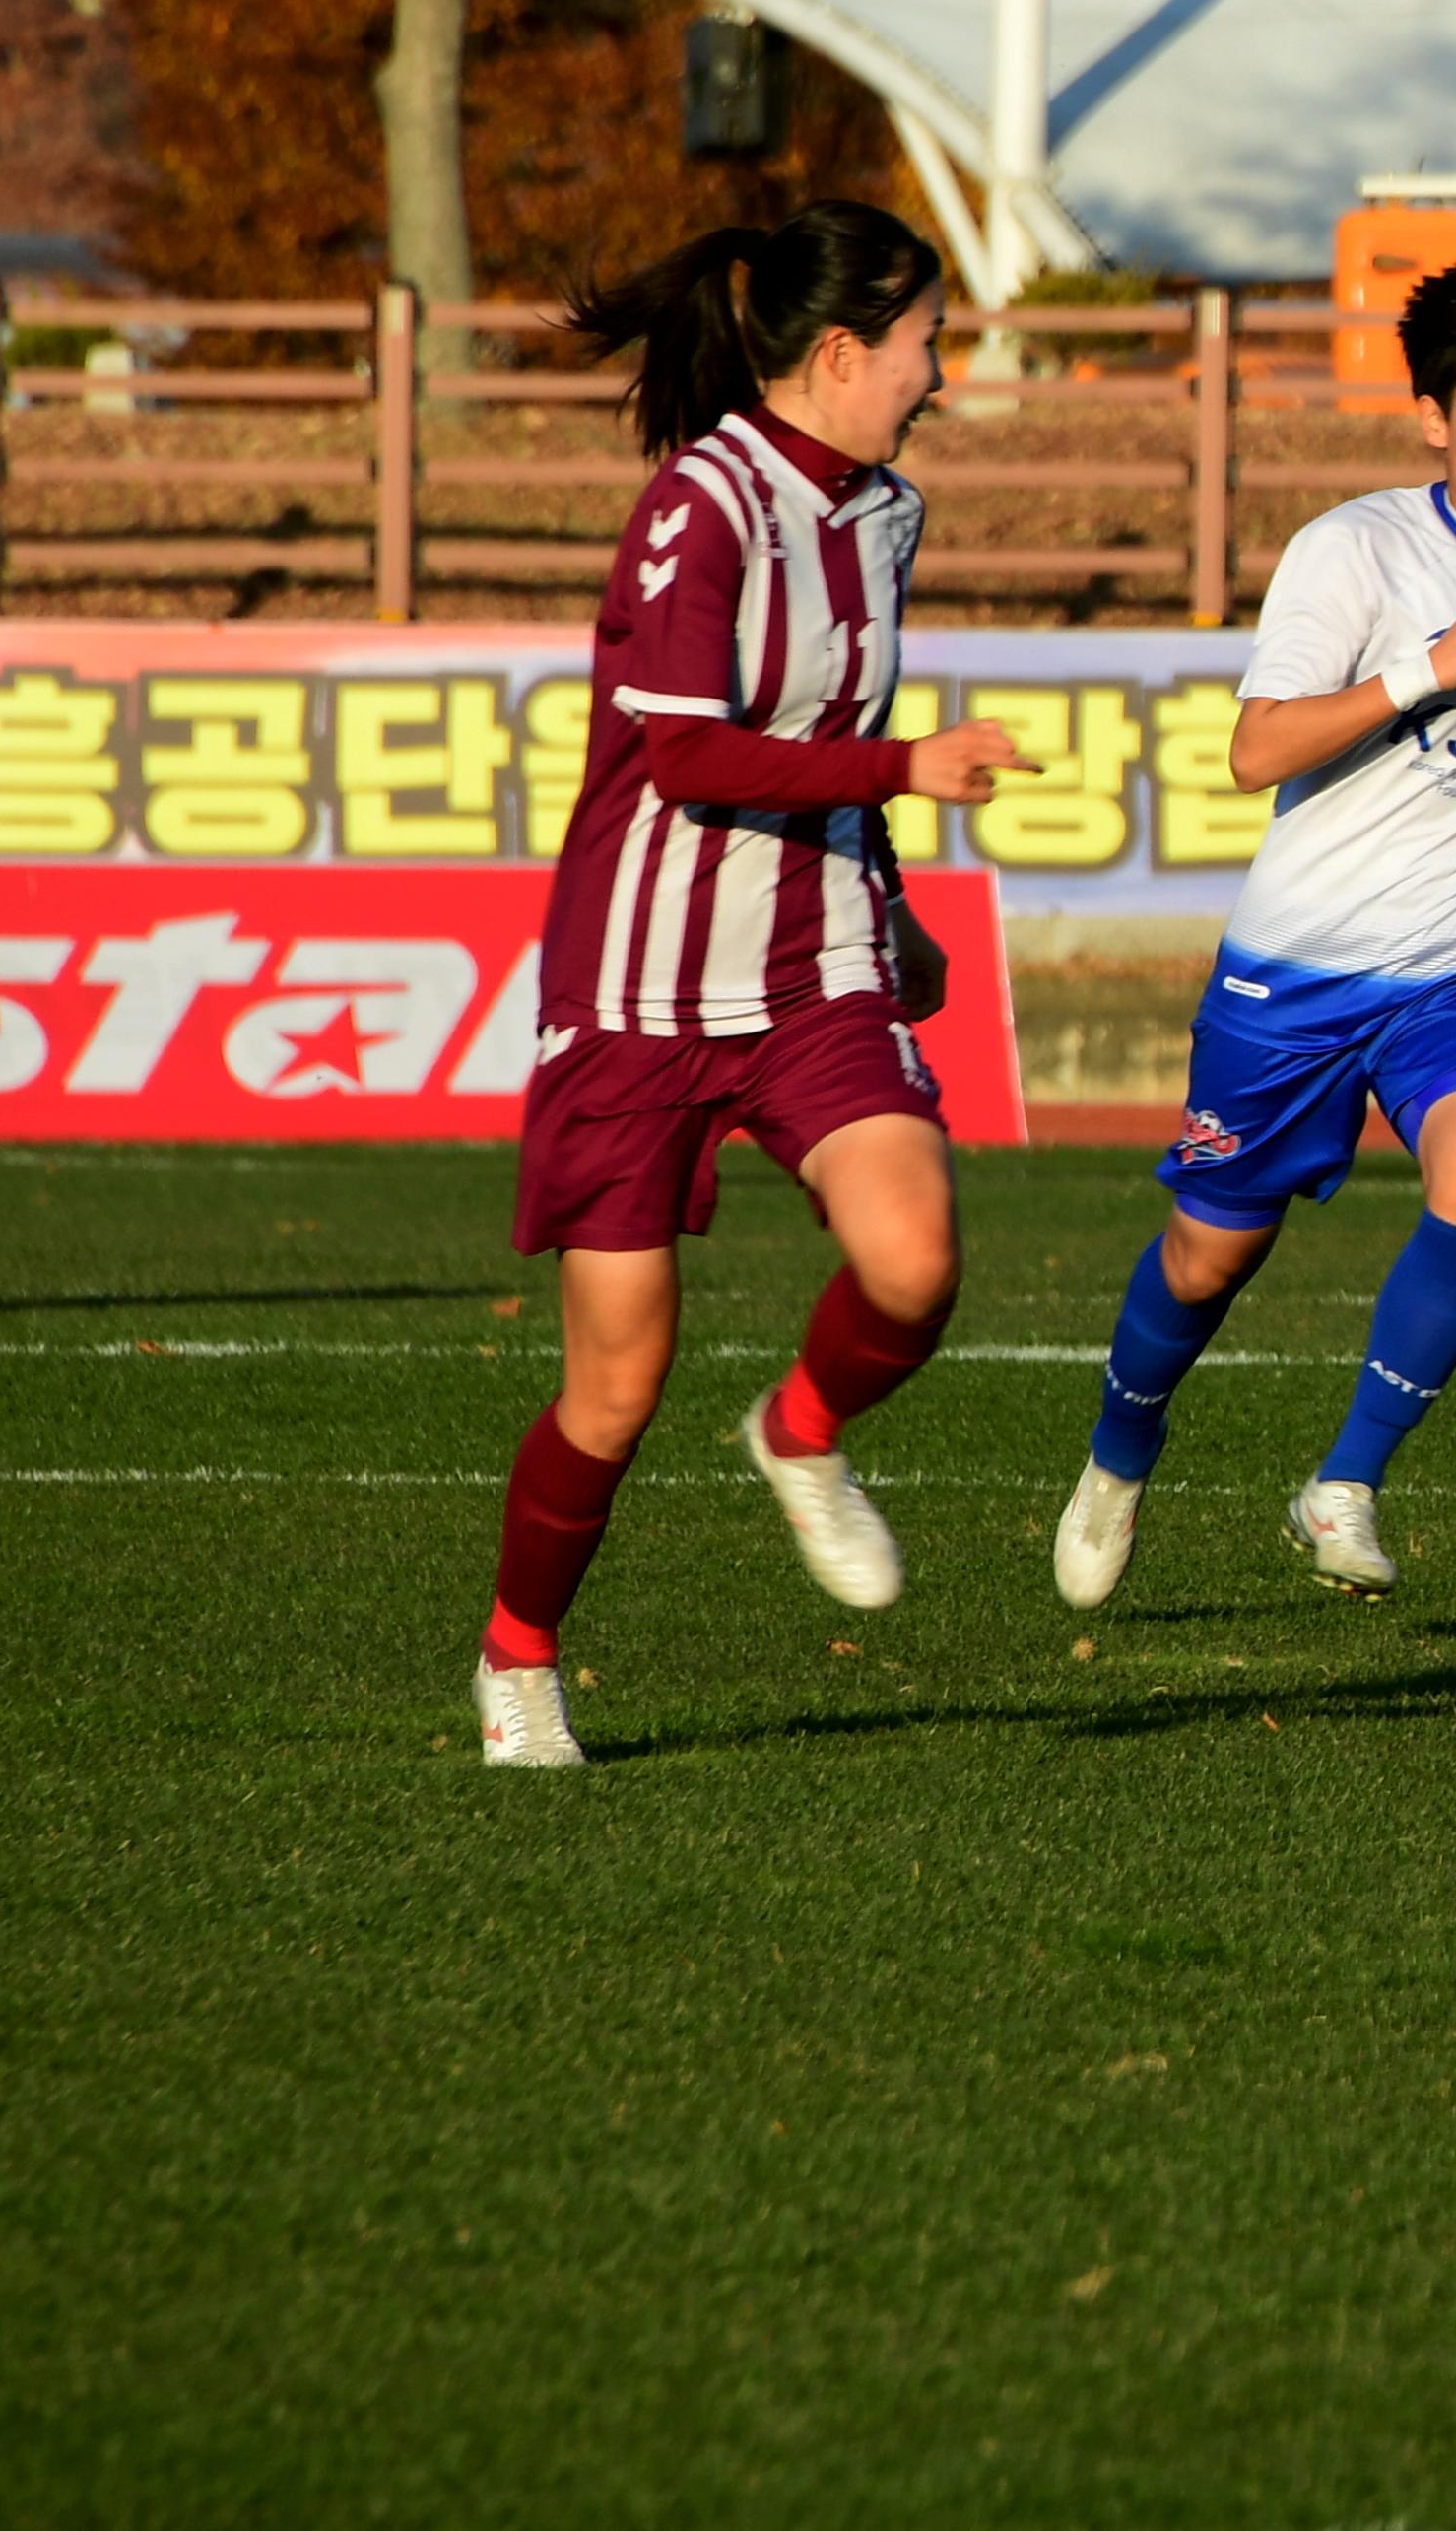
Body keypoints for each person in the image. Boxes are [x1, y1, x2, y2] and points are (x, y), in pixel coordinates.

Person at [1053, 253, 1456, 1608]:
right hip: (1295, 974)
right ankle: (1122, 1449)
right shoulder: (1354, 549)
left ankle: (1343, 1480)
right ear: (1434, 417)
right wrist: (1424, 669)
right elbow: (1254, 750)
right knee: (1210, 1255)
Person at [473, 203, 1032, 1771]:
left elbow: (831, 732)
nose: (940, 373)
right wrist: (911, 771)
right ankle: (520, 1656)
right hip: (641, 983)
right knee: (617, 1379)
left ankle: (800, 1429)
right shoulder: (698, 505)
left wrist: (896, 903)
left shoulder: (888, 513)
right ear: (844, 350)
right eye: (928, 340)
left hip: (815, 965)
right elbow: (690, 750)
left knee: (914, 1261)